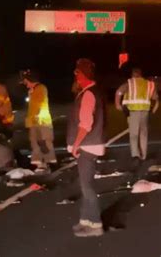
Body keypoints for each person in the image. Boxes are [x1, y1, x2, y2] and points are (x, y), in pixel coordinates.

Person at [67, 58, 105, 237]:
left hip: (88, 146)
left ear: (84, 75)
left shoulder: (88, 94)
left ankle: (95, 225)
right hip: (91, 144)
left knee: (87, 186)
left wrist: (75, 145)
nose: (76, 76)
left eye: (78, 73)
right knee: (85, 186)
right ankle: (85, 220)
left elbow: (85, 124)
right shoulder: (90, 92)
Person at [115, 68, 159, 162]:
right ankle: (144, 155)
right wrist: (155, 107)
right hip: (145, 112)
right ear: (141, 74)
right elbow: (155, 97)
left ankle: (136, 155)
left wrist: (118, 104)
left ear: (133, 74)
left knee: (134, 134)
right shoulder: (148, 84)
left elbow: (119, 92)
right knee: (144, 134)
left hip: (134, 112)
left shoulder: (130, 83)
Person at [20, 70, 56, 174]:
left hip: (42, 122)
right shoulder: (33, 90)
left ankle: (47, 165)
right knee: (35, 144)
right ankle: (40, 165)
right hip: (34, 122)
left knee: (45, 143)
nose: (26, 85)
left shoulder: (41, 88)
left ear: (30, 80)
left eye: (26, 82)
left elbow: (39, 105)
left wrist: (36, 119)